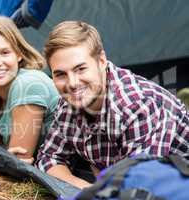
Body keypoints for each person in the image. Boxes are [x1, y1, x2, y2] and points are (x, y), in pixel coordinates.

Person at [35, 20, 189, 188]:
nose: (72, 83)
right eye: (60, 74)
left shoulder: (137, 106)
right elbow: (48, 159)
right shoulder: (69, 102)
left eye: (80, 69)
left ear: (101, 60)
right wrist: (85, 189)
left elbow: (138, 186)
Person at [0, 16, 59, 164]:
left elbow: (18, 164)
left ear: (19, 54)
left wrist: (5, 159)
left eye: (5, 52)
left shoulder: (28, 85)